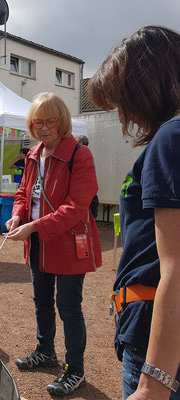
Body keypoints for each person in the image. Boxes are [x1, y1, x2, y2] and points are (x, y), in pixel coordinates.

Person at [88, 26, 180, 400]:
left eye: (122, 100)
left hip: (153, 337)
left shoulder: (170, 138)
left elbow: (176, 263)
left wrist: (152, 383)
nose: (124, 115)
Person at [5, 92, 102, 396]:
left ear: (62, 122)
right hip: (39, 245)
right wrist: (18, 216)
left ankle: (75, 369)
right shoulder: (34, 154)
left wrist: (35, 225)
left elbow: (76, 206)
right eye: (38, 122)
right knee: (42, 300)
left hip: (69, 244)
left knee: (68, 307)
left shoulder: (79, 154)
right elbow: (23, 193)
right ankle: (45, 350)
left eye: (51, 121)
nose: (44, 127)